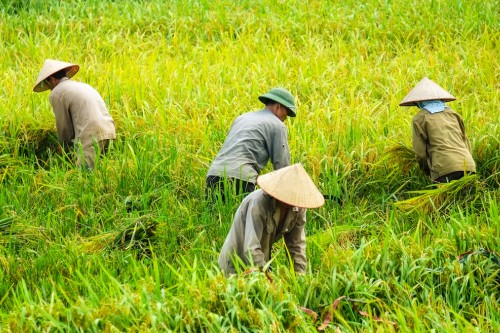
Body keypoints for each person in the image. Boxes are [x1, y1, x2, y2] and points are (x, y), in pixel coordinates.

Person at [218, 163, 325, 275]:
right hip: (235, 263)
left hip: (261, 261)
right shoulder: (258, 204)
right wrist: (266, 278)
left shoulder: (298, 208)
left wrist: (300, 278)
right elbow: (251, 248)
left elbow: (296, 245)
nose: (291, 201)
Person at [206, 87, 296, 202]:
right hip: (241, 179)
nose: (285, 118)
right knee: (243, 219)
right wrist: (290, 193)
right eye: (286, 113)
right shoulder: (277, 125)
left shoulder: (242, 118)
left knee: (214, 217)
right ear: (278, 106)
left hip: (214, 174)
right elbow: (282, 166)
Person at [33, 59, 116, 169]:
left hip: (91, 136)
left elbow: (64, 127)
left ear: (52, 80)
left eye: (47, 84)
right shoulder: (82, 86)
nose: (49, 88)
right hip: (109, 131)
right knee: (101, 173)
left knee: (83, 177)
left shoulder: (57, 92)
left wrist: (63, 147)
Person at [400, 77, 476, 183]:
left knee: (445, 199)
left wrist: (429, 171)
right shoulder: (454, 114)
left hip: (444, 168)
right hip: (468, 165)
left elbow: (420, 153)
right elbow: (465, 141)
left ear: (419, 102)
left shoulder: (419, 119)